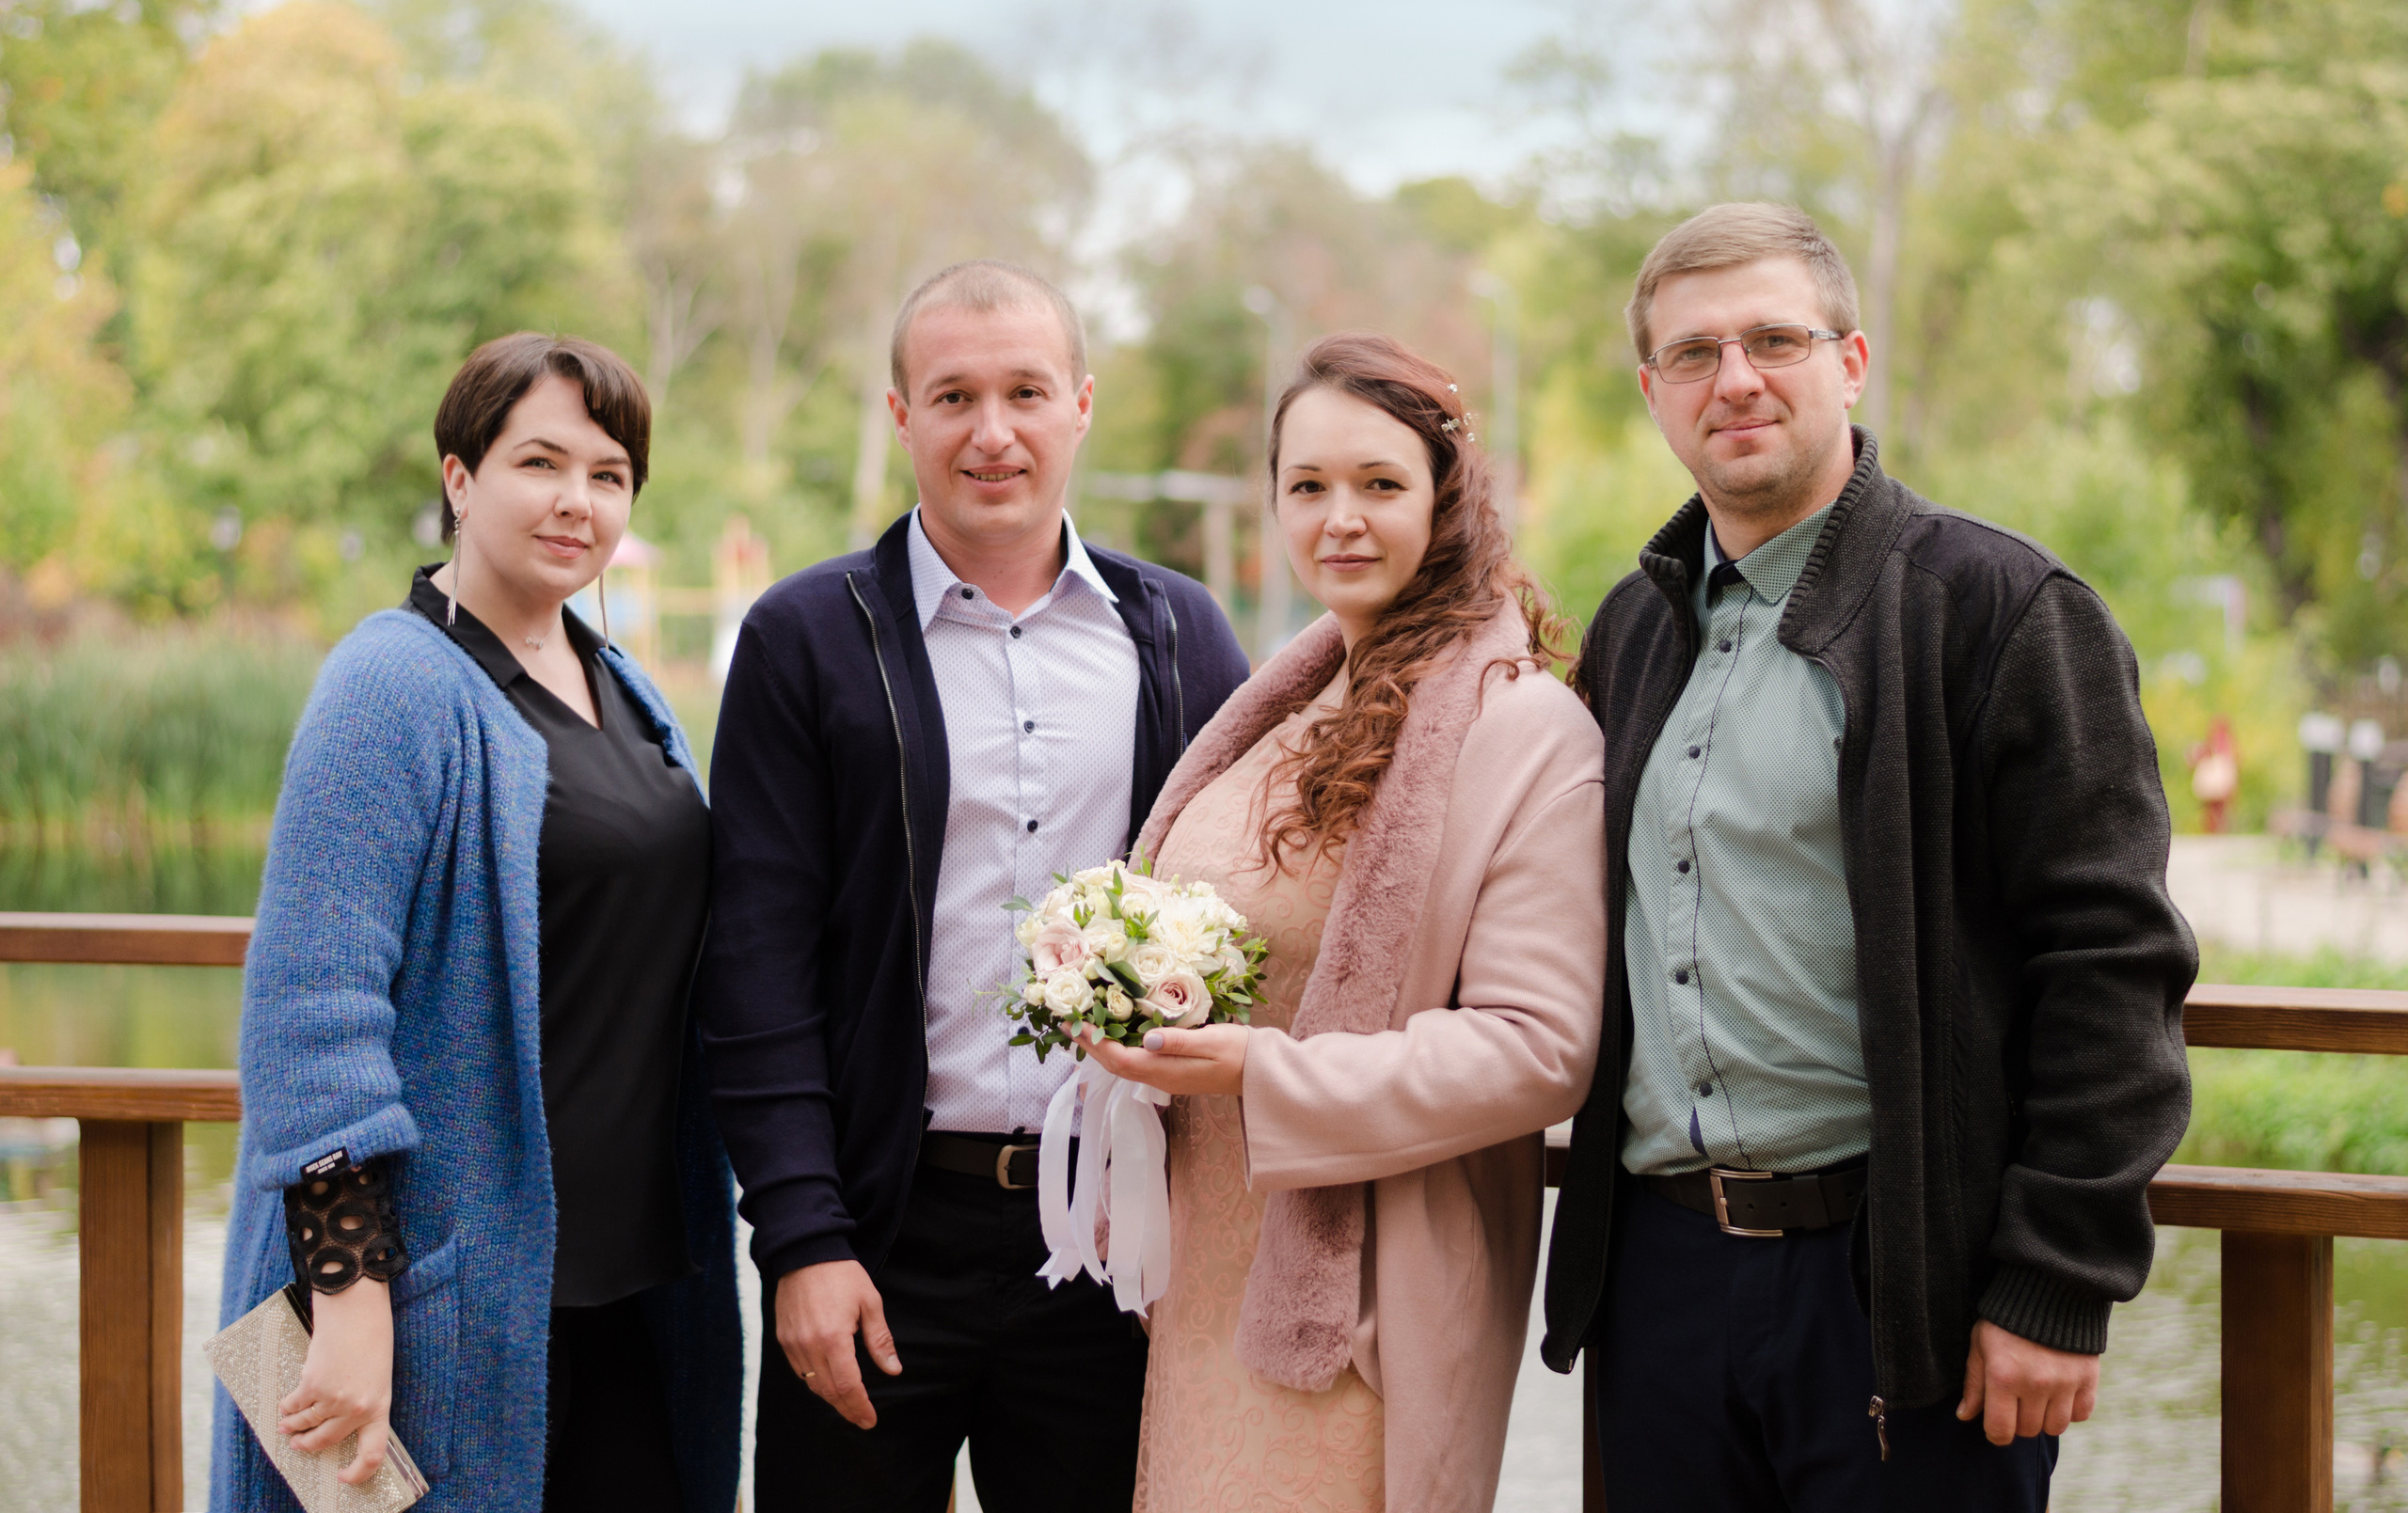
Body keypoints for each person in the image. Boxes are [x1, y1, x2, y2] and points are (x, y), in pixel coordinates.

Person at [1539, 203, 2196, 1509]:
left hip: (1903, 1288)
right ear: (1654, 392)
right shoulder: (1632, 630)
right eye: (1694, 354)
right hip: (1661, 1278)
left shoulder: (2001, 611)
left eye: (1775, 340)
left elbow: (2112, 965)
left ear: (1850, 362)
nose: (1736, 380)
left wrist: (2056, 1282)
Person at [697, 260, 1252, 1513]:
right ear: (900, 416)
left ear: (1081, 406)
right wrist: (804, 1242)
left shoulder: (1179, 635)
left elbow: (1245, 917)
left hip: (1109, 1252)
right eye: (952, 396)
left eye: (1024, 392)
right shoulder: (805, 638)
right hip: (880, 1238)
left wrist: (1193, 1238)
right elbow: (755, 968)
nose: (990, 432)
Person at [1076, 332, 1608, 1512]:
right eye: (1307, 487)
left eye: (1379, 484)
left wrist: (1265, 1072)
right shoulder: (1274, 708)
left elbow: (1539, 1047)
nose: (1340, 519)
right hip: (1202, 1276)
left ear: (1446, 496)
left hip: (1364, 1292)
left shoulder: (1523, 733)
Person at [214, 333, 740, 1513]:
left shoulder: (629, 688)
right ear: (459, 478)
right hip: (441, 1307)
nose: (577, 500)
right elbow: (311, 1010)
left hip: (630, 1289)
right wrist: (351, 1296)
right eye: (539, 462)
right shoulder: (393, 684)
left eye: (609, 475)